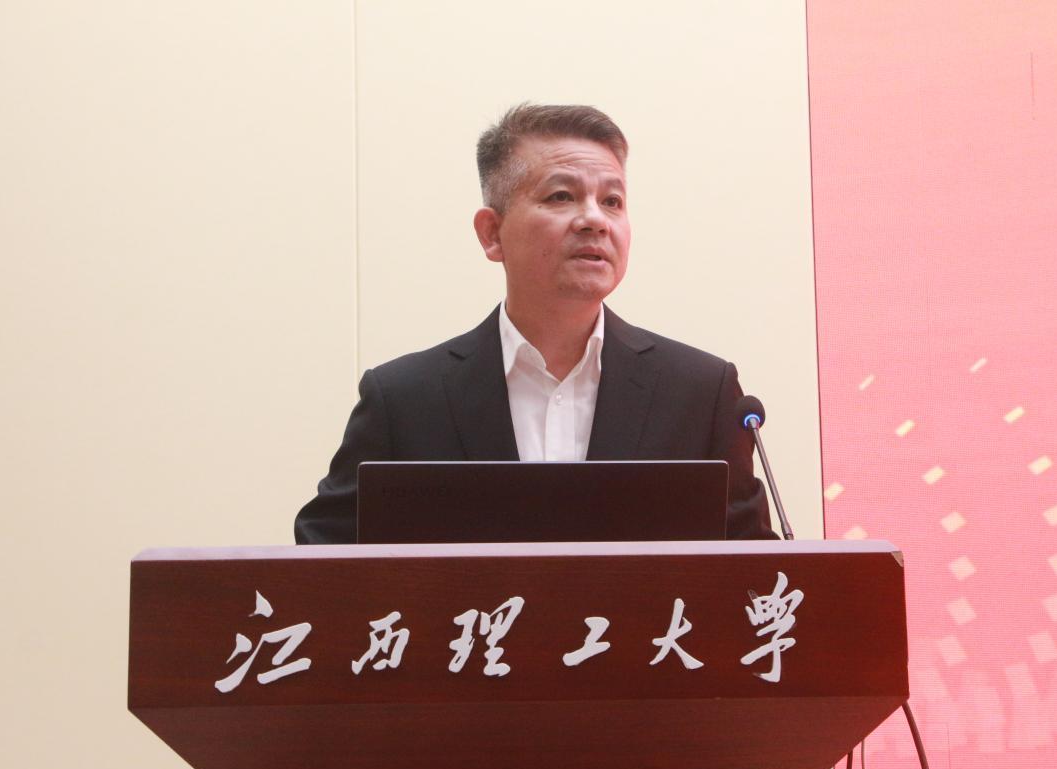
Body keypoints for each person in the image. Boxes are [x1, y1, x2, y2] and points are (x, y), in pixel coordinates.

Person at [295, 103, 775, 543]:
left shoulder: (700, 394)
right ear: (492, 233)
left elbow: (754, 575)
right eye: (562, 196)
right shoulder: (404, 400)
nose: (595, 220)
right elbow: (319, 561)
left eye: (612, 201)